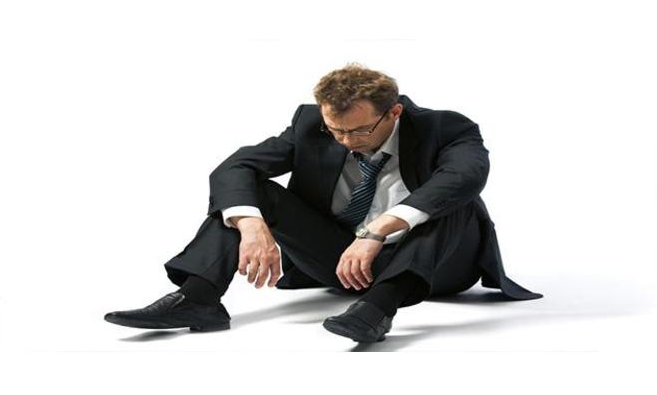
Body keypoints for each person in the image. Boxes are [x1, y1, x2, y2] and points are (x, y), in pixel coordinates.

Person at [104, 63, 543, 343]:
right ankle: (198, 298)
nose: (346, 142)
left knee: (455, 199)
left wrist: (379, 229)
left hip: (438, 266)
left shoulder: (445, 128)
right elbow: (235, 167)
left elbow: (465, 176)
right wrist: (252, 226)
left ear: (393, 112)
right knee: (247, 196)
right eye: (336, 131)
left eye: (359, 131)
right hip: (344, 263)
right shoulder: (311, 124)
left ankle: (378, 310)